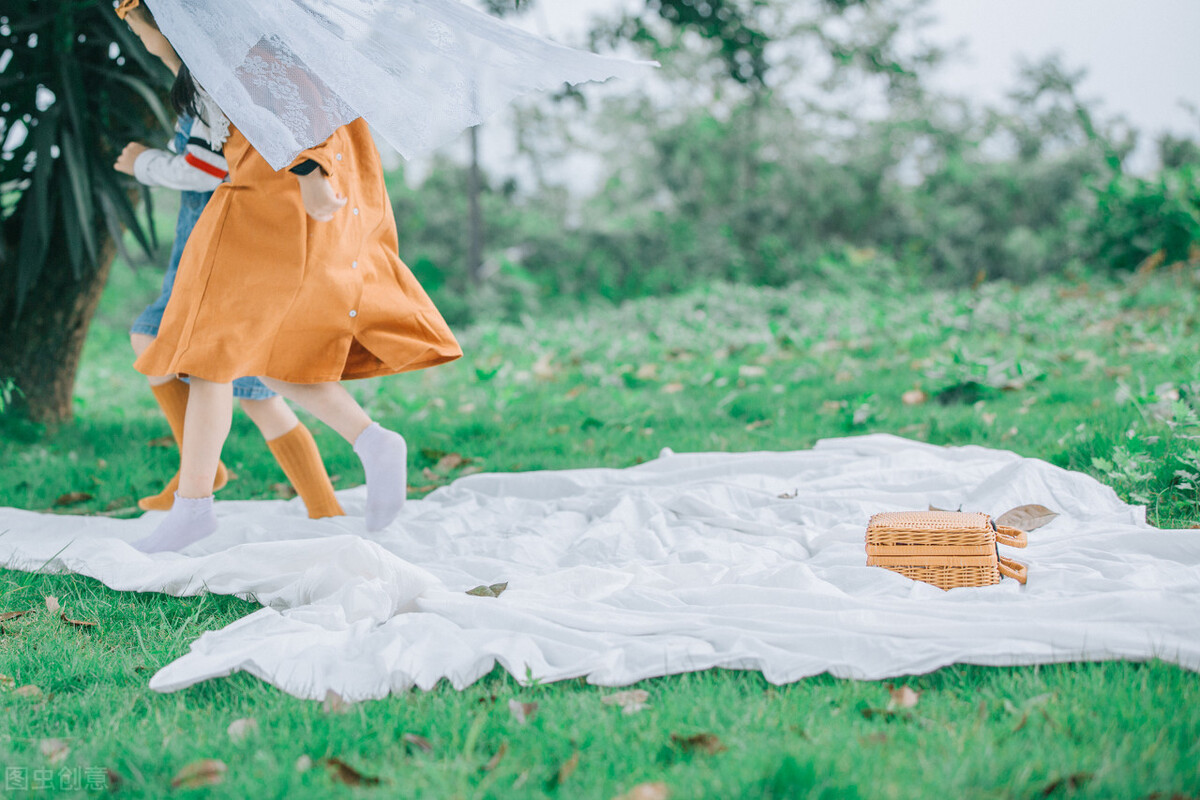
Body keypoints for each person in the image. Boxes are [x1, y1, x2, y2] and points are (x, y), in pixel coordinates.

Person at [116, 1, 462, 553]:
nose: (141, 41)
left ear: (169, 26)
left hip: (254, 219)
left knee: (211, 358)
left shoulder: (228, 65)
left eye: (137, 29)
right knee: (261, 363)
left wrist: (310, 172)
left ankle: (195, 507)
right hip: (262, 215)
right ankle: (371, 442)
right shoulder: (216, 67)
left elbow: (291, 111)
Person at [115, 101, 345, 523]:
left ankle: (202, 474)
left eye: (141, 28)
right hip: (212, 244)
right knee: (257, 395)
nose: (137, 32)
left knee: (156, 338)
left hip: (217, 247)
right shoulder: (200, 87)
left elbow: (205, 170)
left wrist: (142, 163)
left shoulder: (211, 92)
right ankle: (323, 506)